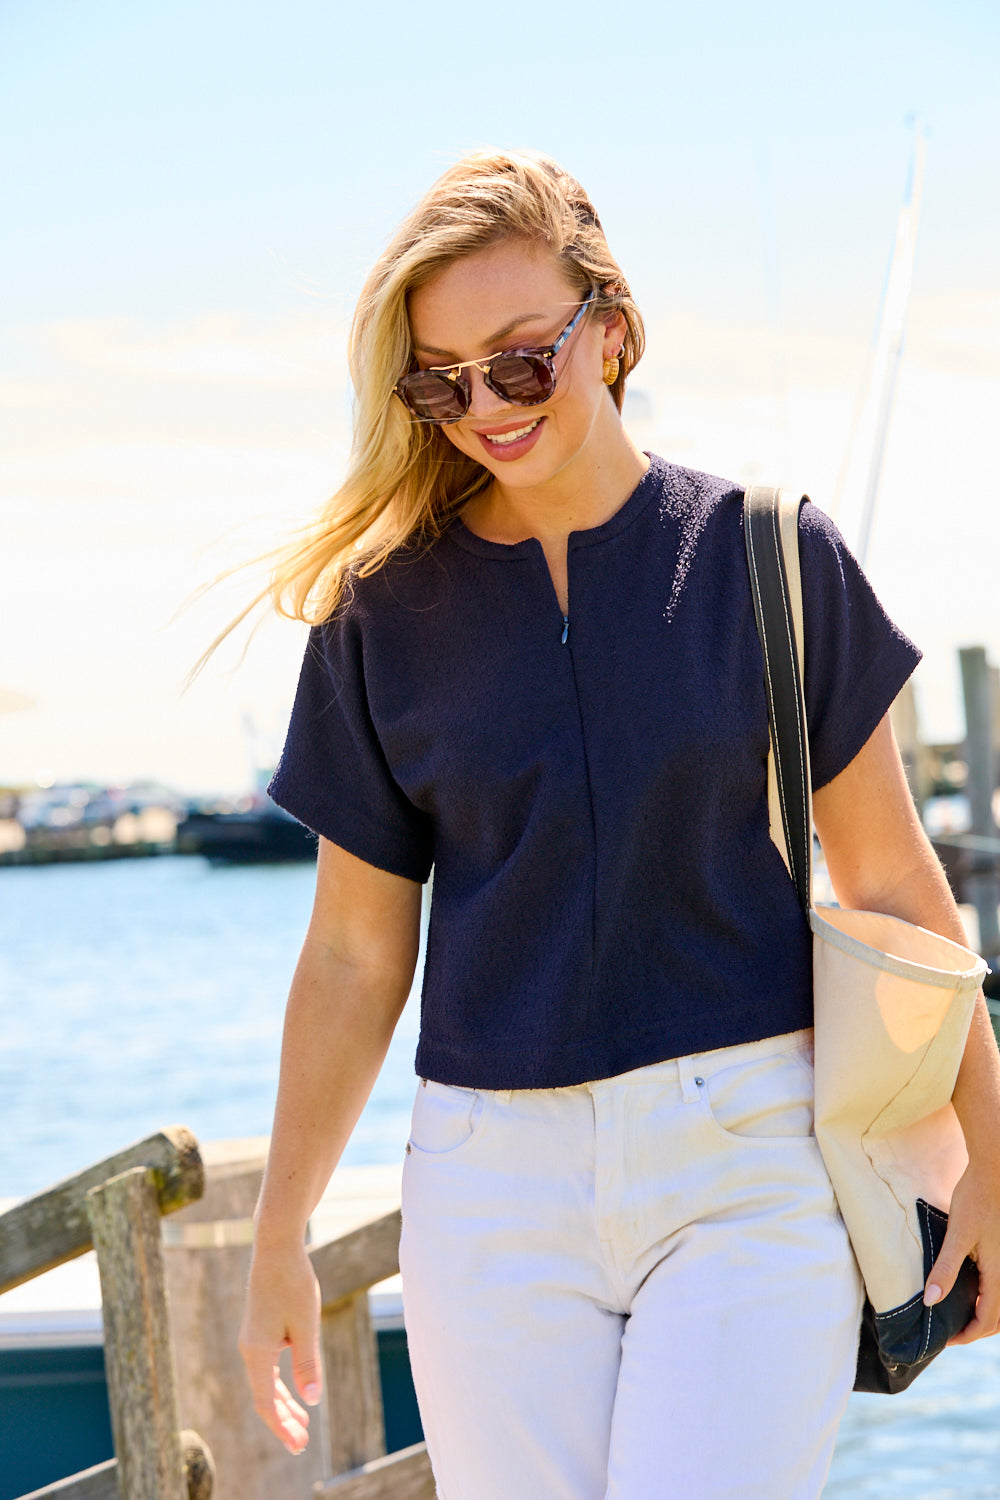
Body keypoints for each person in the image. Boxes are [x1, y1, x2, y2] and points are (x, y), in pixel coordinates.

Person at [237, 149, 1000, 1499]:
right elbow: (355, 960)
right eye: (441, 378)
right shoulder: (380, 619)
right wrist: (280, 1233)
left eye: (521, 360)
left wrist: (996, 1160)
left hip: (752, 1170)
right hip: (489, 1193)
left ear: (615, 331)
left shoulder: (773, 553)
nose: (485, 406)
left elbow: (895, 885)